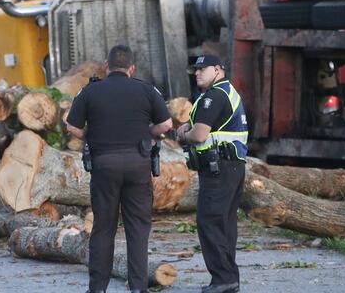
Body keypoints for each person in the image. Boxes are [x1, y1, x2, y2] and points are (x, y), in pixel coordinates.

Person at [66, 45, 172, 293]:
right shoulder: (146, 90)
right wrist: (146, 132)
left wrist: (90, 135)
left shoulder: (90, 91)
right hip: (138, 164)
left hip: (104, 167)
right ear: (132, 68)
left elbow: (71, 127)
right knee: (137, 229)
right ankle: (137, 288)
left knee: (103, 228)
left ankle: (98, 289)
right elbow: (166, 124)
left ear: (106, 65)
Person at [176, 54, 247, 293]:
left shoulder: (214, 95)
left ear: (218, 70)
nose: (197, 73)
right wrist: (189, 126)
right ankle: (229, 279)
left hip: (220, 168)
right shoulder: (225, 92)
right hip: (231, 166)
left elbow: (199, 135)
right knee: (225, 223)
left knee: (209, 221)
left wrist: (183, 135)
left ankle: (223, 279)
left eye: (203, 69)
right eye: (195, 69)